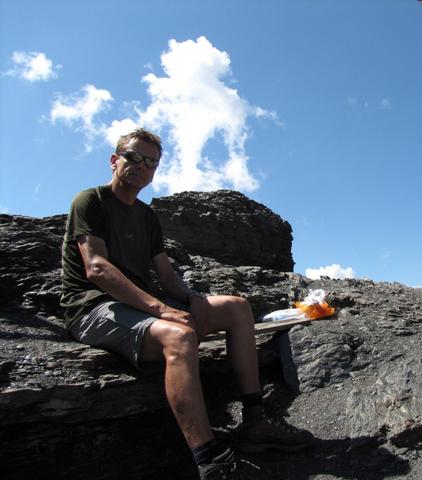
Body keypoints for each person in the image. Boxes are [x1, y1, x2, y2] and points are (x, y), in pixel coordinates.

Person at [60, 128, 312, 479]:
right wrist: (161, 310)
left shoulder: (147, 217)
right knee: (178, 336)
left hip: (140, 304)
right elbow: (97, 269)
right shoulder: (90, 201)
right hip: (93, 307)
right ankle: (210, 460)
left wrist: (193, 299)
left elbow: (166, 274)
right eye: (133, 157)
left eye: (150, 162)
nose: (141, 166)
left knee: (237, 307)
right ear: (114, 160)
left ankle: (255, 421)